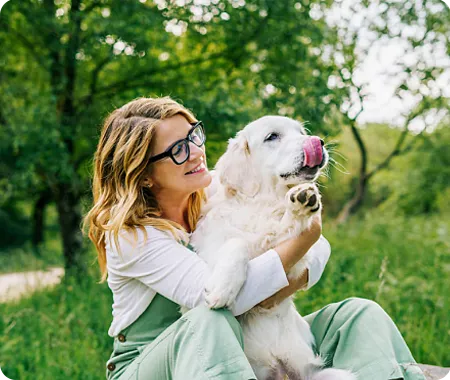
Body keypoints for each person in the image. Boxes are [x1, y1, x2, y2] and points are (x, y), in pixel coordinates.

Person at [84, 97, 425, 380]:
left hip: (239, 345)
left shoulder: (218, 186)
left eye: (194, 136)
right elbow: (218, 298)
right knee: (208, 319)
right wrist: (303, 241)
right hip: (153, 364)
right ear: (142, 175)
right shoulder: (129, 236)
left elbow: (319, 249)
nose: (195, 153)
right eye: (177, 150)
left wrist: (300, 259)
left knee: (357, 314)